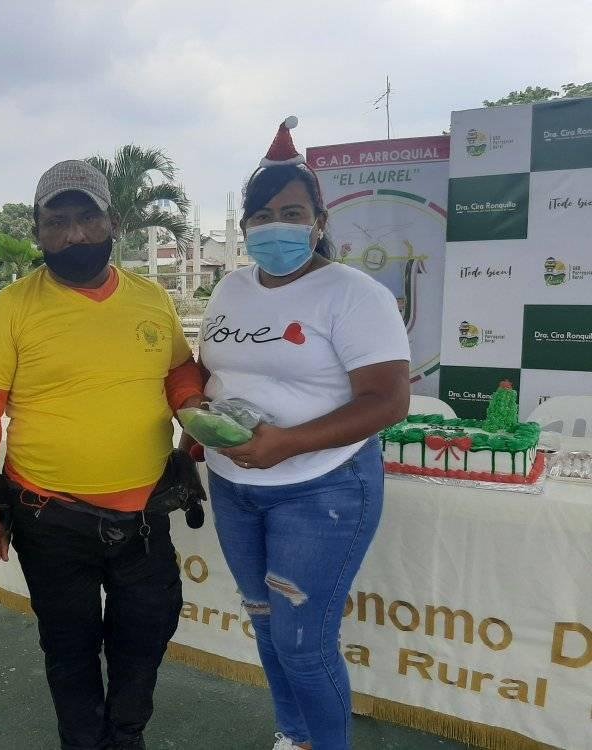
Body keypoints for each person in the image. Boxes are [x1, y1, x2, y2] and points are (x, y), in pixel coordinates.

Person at [0, 160, 204, 750]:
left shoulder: (151, 299)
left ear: (112, 222)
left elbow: (178, 371)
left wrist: (193, 408)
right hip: (49, 517)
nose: (73, 235)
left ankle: (127, 735)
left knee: (145, 636)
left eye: (86, 218)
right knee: (69, 647)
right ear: (38, 231)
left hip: (144, 516)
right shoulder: (12, 307)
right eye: (56, 222)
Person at [194, 119, 410, 750]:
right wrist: (191, 441)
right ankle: (295, 736)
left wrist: (286, 444)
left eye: (291, 213)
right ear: (244, 228)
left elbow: (389, 400)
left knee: (303, 642)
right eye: (261, 216)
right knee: (266, 626)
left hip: (322, 489)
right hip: (234, 487)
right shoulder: (230, 288)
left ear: (319, 220)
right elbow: (212, 375)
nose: (275, 226)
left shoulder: (353, 294)